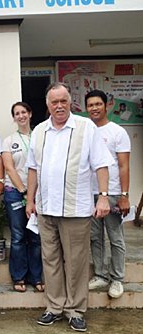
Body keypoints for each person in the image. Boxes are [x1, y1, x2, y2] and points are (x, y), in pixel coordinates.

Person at [26, 82, 113, 332]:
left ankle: (75, 310)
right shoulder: (40, 131)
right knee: (50, 260)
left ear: (70, 101)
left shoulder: (86, 128)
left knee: (75, 262)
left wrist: (104, 197)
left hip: (76, 209)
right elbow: (33, 169)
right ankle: (54, 307)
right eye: (55, 102)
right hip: (46, 208)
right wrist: (30, 200)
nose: (60, 106)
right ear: (47, 105)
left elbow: (101, 165)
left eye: (64, 100)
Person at [85, 90, 131, 299]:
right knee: (95, 237)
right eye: (90, 105)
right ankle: (101, 275)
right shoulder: (85, 131)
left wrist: (124, 195)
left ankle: (117, 278)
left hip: (112, 193)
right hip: (89, 193)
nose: (94, 108)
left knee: (115, 237)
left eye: (98, 104)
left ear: (107, 105)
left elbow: (123, 166)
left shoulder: (117, 132)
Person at [2, 102, 43, 292]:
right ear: (14, 117)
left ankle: (36, 277)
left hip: (39, 194)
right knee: (18, 236)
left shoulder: (41, 136)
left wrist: (33, 194)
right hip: (15, 193)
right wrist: (25, 192)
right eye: (17, 113)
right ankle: (18, 277)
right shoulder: (9, 140)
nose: (21, 116)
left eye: (23, 112)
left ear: (30, 113)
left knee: (35, 237)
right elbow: (9, 168)